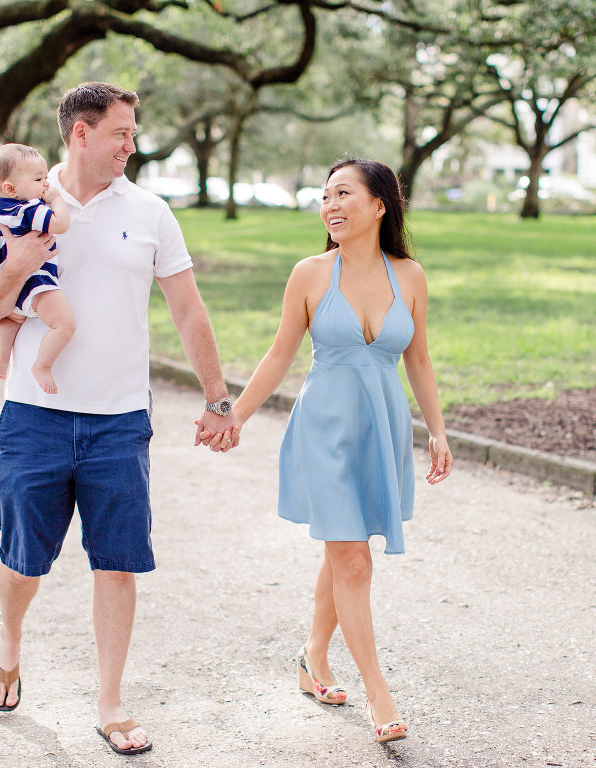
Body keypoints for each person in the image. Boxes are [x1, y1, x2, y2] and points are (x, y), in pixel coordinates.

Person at [0, 82, 236, 755]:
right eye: (121, 132)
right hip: (34, 414)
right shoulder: (21, 204)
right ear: (80, 134)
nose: (131, 144)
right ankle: (11, 635)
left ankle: (110, 702)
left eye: (133, 132)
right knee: (24, 560)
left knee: (117, 563)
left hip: (120, 419)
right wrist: (22, 265)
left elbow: (187, 308)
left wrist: (217, 397)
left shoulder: (150, 211)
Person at [203, 158, 453, 744]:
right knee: (352, 561)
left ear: (379, 206)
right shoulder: (310, 274)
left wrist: (438, 431)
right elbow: (279, 353)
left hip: (382, 429)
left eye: (343, 194)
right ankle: (379, 693)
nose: (331, 206)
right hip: (323, 430)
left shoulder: (410, 276)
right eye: (325, 196)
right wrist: (232, 415)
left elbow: (418, 359)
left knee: (344, 554)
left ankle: (312, 658)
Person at [0, 143, 73, 395]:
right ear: (10, 188)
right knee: (64, 325)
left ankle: (2, 358)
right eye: (39, 179)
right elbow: (60, 224)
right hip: (35, 281)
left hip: (1, 279)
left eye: (46, 177)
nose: (45, 184)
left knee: (11, 318)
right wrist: (56, 200)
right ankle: (42, 365)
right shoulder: (28, 209)